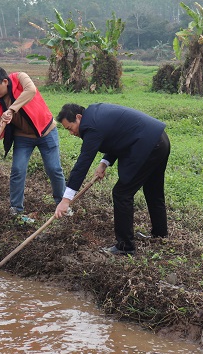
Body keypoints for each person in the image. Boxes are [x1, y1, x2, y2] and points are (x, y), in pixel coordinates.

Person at [55, 103, 170, 256]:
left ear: (78, 117)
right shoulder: (95, 114)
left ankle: (125, 247)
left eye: (70, 128)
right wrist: (104, 163)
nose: (71, 133)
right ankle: (160, 235)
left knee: (122, 193)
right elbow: (118, 135)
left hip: (147, 146)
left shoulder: (91, 126)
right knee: (153, 191)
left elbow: (83, 163)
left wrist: (66, 199)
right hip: (159, 140)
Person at [0, 66, 65, 217]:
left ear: (5, 81)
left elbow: (31, 91)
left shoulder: (20, 78)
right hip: (23, 138)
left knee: (54, 169)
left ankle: (62, 204)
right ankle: (16, 209)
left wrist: (11, 110)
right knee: (17, 170)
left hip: (46, 131)